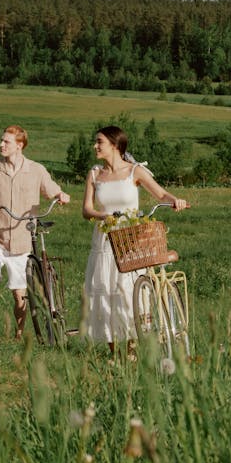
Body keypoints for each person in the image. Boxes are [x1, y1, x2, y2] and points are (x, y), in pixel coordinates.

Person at [81, 125, 189, 358]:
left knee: (131, 292)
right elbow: (87, 210)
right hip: (105, 238)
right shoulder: (94, 174)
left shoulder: (135, 171)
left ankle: (131, 348)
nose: (95, 146)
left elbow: (160, 194)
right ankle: (113, 351)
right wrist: (104, 216)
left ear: (115, 145)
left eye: (99, 142)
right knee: (105, 292)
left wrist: (175, 201)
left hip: (131, 238)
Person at [0, 125, 70, 343]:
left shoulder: (36, 170)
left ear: (20, 145)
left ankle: (19, 333)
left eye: (6, 142)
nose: (1, 145)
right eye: (1, 140)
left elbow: (53, 190)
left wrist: (62, 195)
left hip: (23, 241)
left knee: (19, 295)